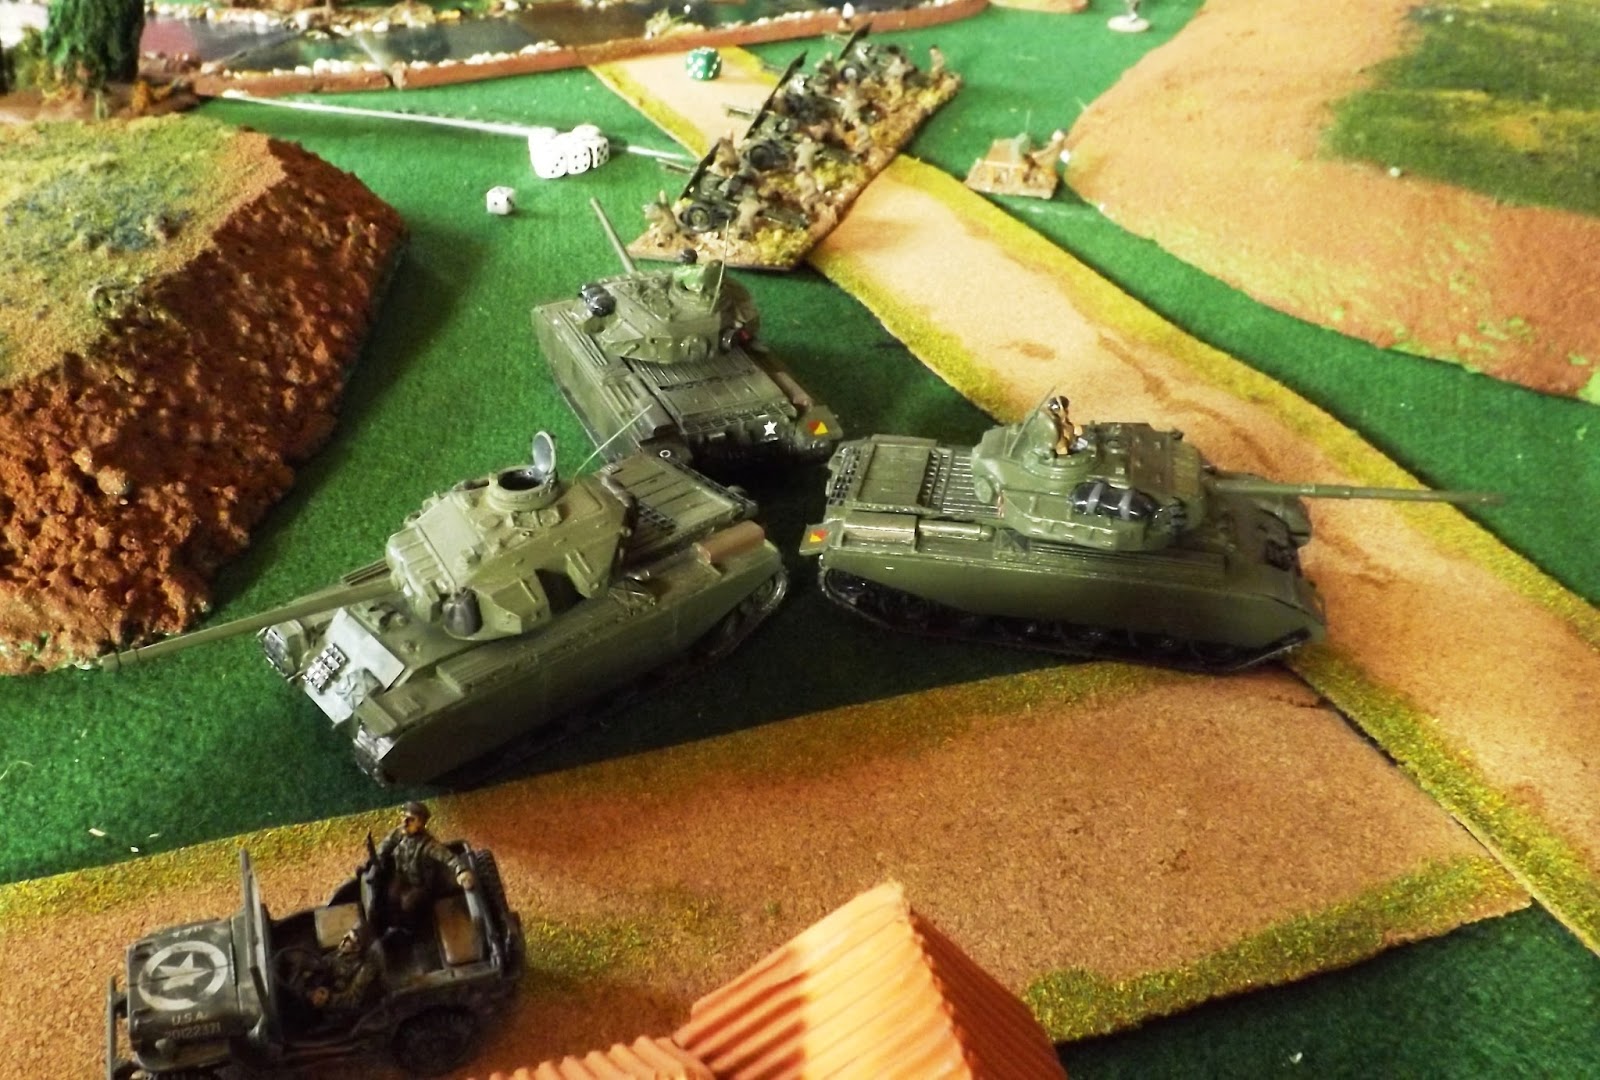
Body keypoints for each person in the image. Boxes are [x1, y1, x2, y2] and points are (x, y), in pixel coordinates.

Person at [374, 801, 475, 928]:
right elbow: (384, 847)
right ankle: (394, 924)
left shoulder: (429, 845)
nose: (404, 823)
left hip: (420, 884)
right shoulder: (399, 833)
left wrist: (461, 871)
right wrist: (377, 859)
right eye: (403, 817)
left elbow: (449, 858)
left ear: (421, 823)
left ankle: (411, 927)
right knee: (391, 895)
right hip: (401, 876)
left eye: (411, 820)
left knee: (408, 904)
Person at [309, 925, 384, 1016]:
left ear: (357, 947)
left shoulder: (364, 969)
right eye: (347, 935)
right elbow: (324, 963)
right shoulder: (341, 953)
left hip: (346, 1011)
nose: (344, 939)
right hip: (328, 994)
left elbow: (353, 999)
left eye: (349, 939)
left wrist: (329, 998)